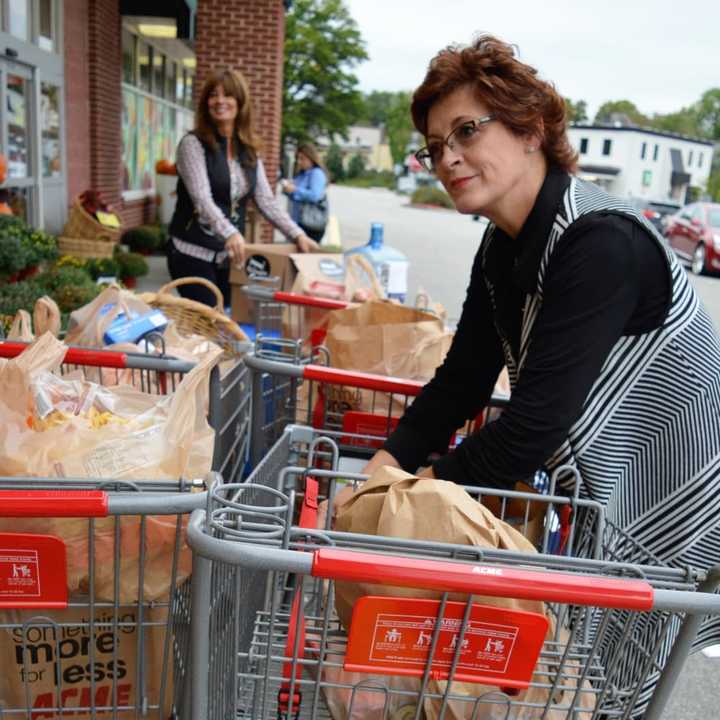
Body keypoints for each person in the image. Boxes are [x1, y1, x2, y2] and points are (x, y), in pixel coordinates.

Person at [357, 36, 720, 653]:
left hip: (672, 493)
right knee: (578, 667)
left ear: (530, 130)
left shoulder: (600, 240)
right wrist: (382, 470)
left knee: (614, 669)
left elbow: (534, 428)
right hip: (605, 492)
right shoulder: (503, 245)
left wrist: (412, 496)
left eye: (467, 132)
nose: (448, 159)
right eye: (436, 146)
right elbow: (463, 379)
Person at [168, 69, 318, 307]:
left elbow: (266, 200)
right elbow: (202, 199)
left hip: (230, 257)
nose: (220, 101)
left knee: (228, 322)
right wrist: (230, 233)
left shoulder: (248, 149)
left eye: (228, 95)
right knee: (209, 323)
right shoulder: (192, 144)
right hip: (192, 252)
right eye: (213, 95)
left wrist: (297, 234)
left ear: (240, 102)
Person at [281, 143, 329, 242]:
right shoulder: (301, 175)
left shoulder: (317, 173)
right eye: (298, 158)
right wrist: (287, 189)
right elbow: (295, 196)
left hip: (311, 224)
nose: (299, 162)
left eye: (302, 158)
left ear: (311, 158)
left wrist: (295, 189)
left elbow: (315, 195)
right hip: (297, 222)